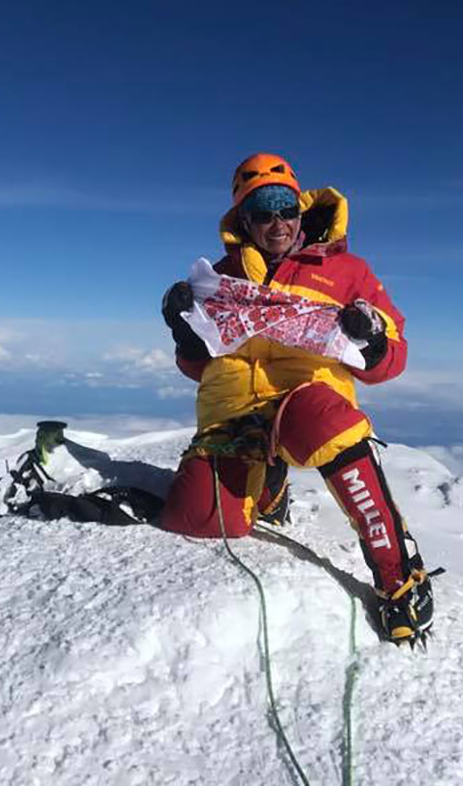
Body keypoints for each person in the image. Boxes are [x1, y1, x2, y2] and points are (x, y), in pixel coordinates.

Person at [157, 153, 435, 646]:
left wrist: (369, 339)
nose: (276, 221)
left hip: (305, 406)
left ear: (301, 209)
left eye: (285, 207)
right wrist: (184, 332)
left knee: (324, 424)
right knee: (197, 517)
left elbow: (393, 358)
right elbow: (201, 364)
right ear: (243, 219)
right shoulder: (219, 277)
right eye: (261, 210)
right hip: (231, 414)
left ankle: (398, 574)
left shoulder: (347, 271)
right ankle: (270, 490)